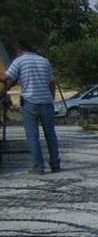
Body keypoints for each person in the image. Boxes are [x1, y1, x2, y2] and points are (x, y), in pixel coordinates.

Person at [0, 40, 60, 175]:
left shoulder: (20, 61)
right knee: (51, 135)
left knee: (33, 136)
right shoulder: (45, 61)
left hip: (30, 103)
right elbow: (52, 83)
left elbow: (5, 78)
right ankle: (55, 164)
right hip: (46, 102)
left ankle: (38, 167)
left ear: (19, 51)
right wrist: (50, 99)